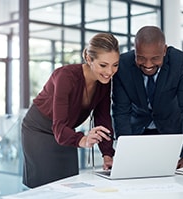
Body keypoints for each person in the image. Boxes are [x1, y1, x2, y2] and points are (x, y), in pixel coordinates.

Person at [21, 32, 119, 188]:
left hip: (66, 132)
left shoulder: (104, 82)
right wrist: (83, 139)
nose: (109, 72)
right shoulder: (65, 77)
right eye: (103, 65)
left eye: (115, 65)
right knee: (45, 188)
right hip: (39, 130)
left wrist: (107, 154)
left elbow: (103, 119)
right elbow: (58, 127)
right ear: (89, 58)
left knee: (69, 184)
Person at [112, 26, 183, 169]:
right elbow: (121, 111)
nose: (147, 65)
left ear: (164, 50)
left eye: (155, 58)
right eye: (141, 58)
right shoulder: (123, 65)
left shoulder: (181, 62)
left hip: (170, 130)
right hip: (136, 131)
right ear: (135, 49)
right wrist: (124, 151)